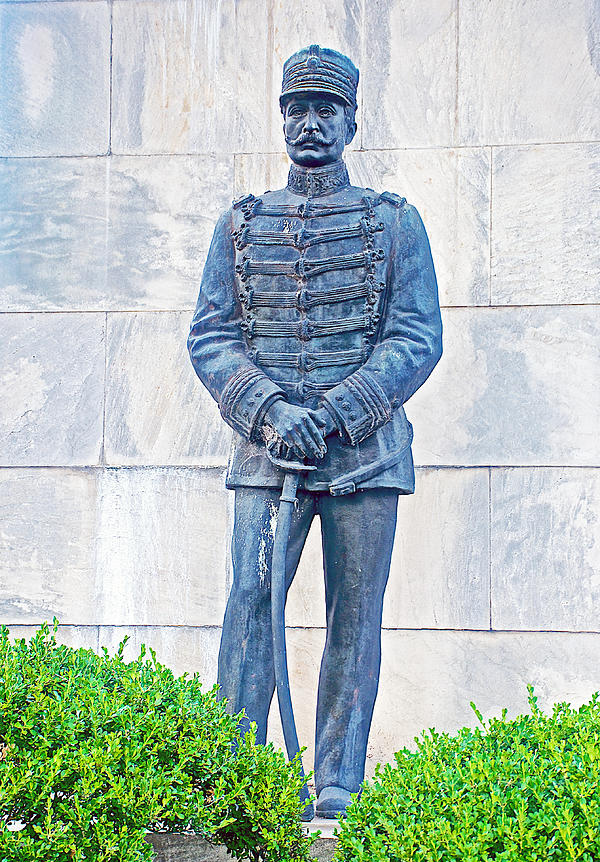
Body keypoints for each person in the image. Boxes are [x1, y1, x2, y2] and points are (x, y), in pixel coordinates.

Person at [188, 45, 442, 819]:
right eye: (295, 110)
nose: (308, 124)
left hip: (365, 459)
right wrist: (269, 411)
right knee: (248, 606)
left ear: (350, 122)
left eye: (324, 110)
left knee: (354, 618)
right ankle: (231, 776)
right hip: (266, 459)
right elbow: (211, 335)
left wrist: (333, 414)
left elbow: (416, 336)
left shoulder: (395, 223)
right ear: (282, 120)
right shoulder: (241, 225)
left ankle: (337, 780)